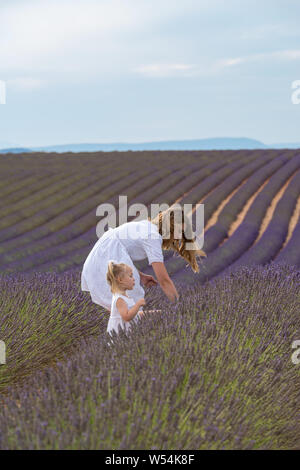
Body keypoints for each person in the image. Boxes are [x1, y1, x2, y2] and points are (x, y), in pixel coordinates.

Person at [81, 205, 206, 313]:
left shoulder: (148, 227)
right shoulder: (152, 237)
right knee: (131, 306)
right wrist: (180, 306)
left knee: (124, 311)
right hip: (103, 260)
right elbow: (164, 280)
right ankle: (163, 317)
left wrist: (140, 276)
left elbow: (121, 252)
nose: (179, 237)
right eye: (178, 231)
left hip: (101, 258)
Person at [106, 260, 145, 337]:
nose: (133, 279)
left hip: (126, 335)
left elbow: (134, 314)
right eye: (130, 276)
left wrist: (151, 313)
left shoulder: (125, 297)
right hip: (119, 338)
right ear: (120, 279)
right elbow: (126, 317)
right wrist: (138, 305)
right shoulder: (119, 299)